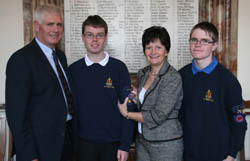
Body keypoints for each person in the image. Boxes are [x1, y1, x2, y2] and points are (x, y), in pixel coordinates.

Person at [5, 4, 75, 161]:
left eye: (59, 24)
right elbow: (16, 116)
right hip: (40, 148)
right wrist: (30, 155)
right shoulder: (21, 60)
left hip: (65, 143)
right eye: (49, 24)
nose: (55, 29)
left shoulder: (60, 57)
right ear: (36, 26)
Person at [69, 15, 134, 161]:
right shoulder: (73, 70)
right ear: (83, 37)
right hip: (83, 143)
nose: (95, 40)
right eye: (90, 35)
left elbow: (128, 106)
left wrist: (125, 144)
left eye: (99, 35)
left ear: (106, 37)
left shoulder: (119, 68)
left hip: (113, 144)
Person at [179, 21, 247, 161]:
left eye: (205, 41)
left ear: (215, 45)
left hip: (218, 155)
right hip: (185, 154)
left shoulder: (228, 81)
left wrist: (231, 154)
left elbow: (239, 119)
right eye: (194, 40)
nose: (198, 45)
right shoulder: (180, 76)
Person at [118, 26, 183, 161]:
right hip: (142, 142)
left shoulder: (172, 77)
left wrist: (127, 114)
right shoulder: (143, 73)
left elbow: (157, 115)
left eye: (158, 47)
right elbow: (146, 102)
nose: (153, 52)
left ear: (166, 50)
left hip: (166, 145)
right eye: (148, 47)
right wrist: (135, 97)